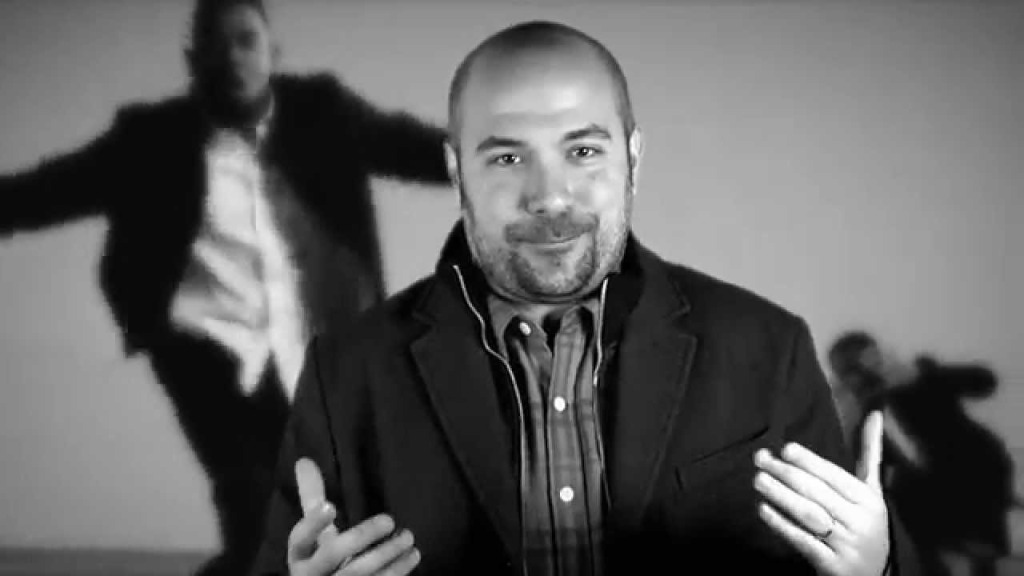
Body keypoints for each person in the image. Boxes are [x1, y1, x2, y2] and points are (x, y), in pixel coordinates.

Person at [252, 20, 920, 576]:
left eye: (583, 152)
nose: (550, 196)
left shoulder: (768, 348)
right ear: (456, 171)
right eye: (507, 158)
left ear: (633, 158)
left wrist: (880, 568)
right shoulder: (346, 374)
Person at [0, 0, 449, 574]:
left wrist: (507, 162)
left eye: (245, 41)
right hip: (205, 348)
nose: (232, 57)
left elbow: (413, 149)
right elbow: (48, 191)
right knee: (251, 499)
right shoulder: (150, 138)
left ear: (271, 54)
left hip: (314, 344)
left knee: (314, 512)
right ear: (193, 61)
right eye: (216, 44)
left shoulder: (324, 113)